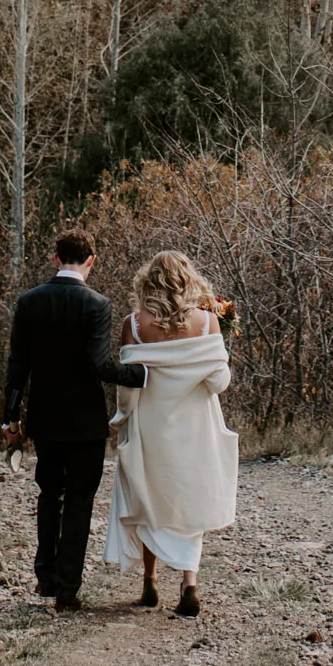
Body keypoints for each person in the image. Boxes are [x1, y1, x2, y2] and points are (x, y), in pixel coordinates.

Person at [2, 229, 148, 611]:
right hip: (84, 422)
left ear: (55, 258)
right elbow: (100, 366)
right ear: (91, 261)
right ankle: (68, 590)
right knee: (80, 502)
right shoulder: (96, 304)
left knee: (49, 495)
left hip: (44, 418)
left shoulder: (29, 302)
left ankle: (45, 577)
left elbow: (18, 365)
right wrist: (143, 375)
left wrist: (10, 418)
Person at [104, 250, 237, 618]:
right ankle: (189, 583)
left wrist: (121, 419)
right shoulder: (209, 322)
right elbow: (218, 383)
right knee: (187, 501)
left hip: (152, 424)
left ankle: (149, 581)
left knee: (150, 498)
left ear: (149, 281)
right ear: (188, 280)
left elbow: (129, 385)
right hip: (195, 426)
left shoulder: (134, 324)